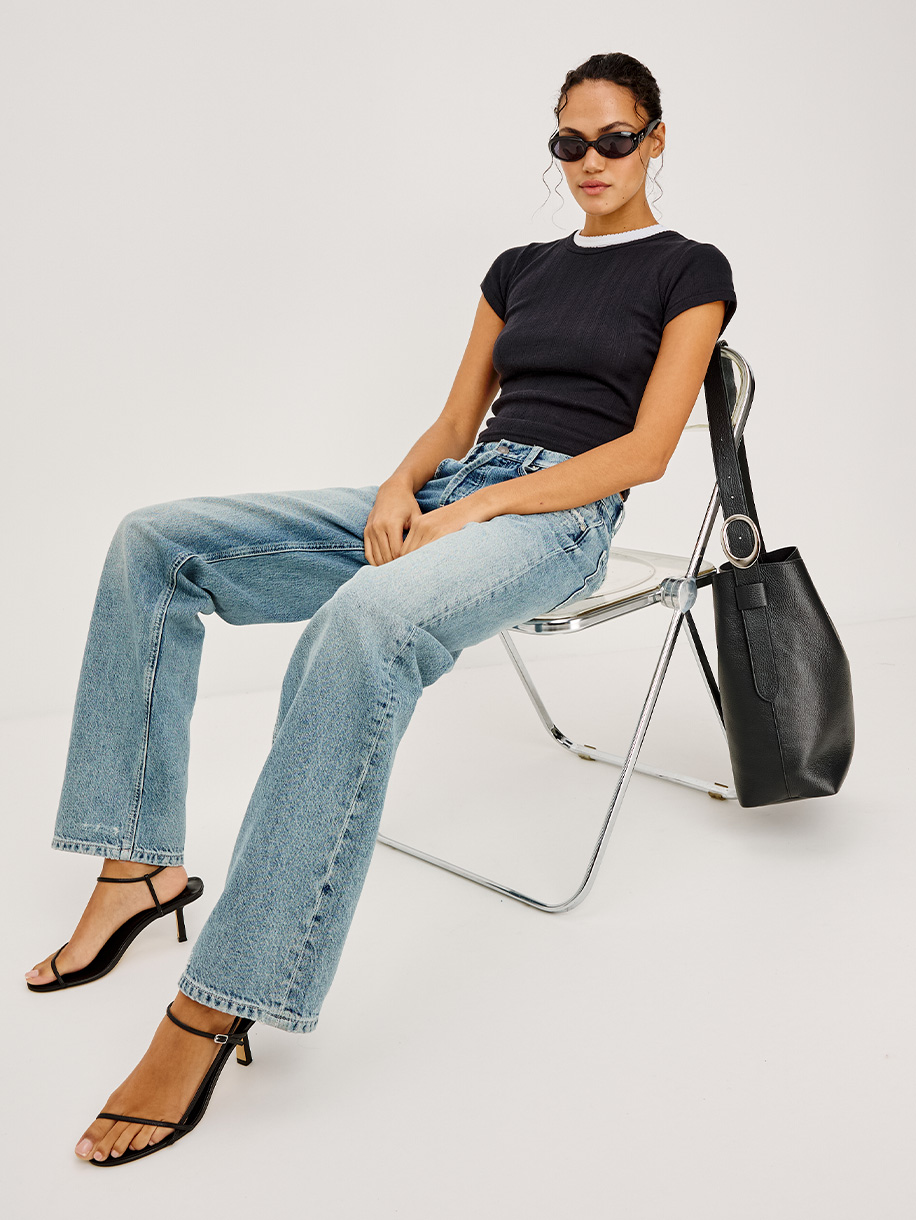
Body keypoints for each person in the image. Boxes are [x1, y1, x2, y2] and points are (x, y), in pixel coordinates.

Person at [25, 51, 737, 1166]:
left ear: (655, 139)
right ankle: (134, 865)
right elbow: (458, 418)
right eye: (568, 142)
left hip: (557, 518)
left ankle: (221, 997)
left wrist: (484, 509)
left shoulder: (689, 268)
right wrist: (409, 486)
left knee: (358, 625)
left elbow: (643, 452)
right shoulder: (519, 265)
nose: (589, 162)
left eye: (612, 139)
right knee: (154, 541)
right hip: (463, 488)